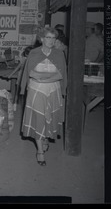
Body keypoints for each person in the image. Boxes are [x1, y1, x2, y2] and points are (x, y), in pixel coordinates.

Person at [20, 27, 67, 166]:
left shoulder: (59, 54)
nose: (51, 40)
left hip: (54, 90)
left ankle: (45, 136)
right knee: (38, 118)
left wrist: (43, 78)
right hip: (36, 90)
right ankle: (40, 151)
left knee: (49, 117)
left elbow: (61, 74)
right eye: (48, 37)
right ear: (41, 39)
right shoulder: (34, 53)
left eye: (53, 38)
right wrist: (48, 77)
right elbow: (31, 74)